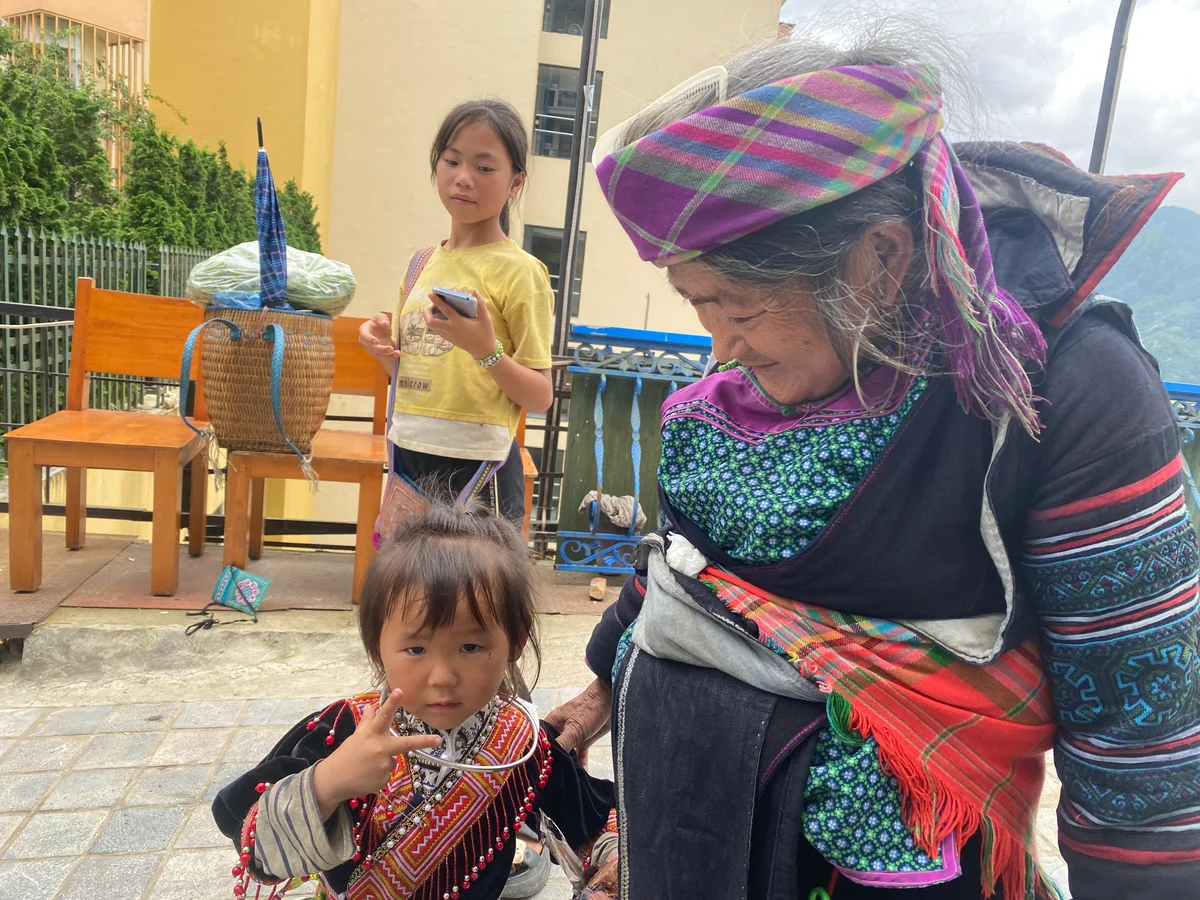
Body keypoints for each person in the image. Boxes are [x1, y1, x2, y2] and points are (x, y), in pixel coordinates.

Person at [546, 21, 1200, 900]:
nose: (722, 349)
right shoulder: (750, 389)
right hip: (684, 843)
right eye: (700, 306)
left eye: (736, 306)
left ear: (880, 259)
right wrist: (599, 693)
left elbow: (1143, 742)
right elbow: (691, 564)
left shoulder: (1070, 391)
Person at [213, 506, 615, 900]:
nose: (442, 676)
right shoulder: (345, 729)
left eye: (471, 646)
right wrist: (330, 782)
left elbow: (596, 824)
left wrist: (607, 872)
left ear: (516, 641)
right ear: (377, 646)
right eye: (416, 648)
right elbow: (250, 843)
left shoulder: (524, 747)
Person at [359, 100, 554, 526]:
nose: (464, 179)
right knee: (410, 591)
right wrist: (381, 350)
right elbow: (418, 374)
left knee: (476, 592)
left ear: (515, 182)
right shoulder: (419, 265)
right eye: (452, 161)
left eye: (485, 168)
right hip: (409, 455)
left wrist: (486, 351)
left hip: (479, 466)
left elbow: (540, 396)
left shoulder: (522, 272)